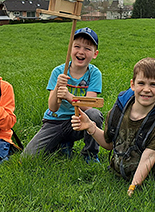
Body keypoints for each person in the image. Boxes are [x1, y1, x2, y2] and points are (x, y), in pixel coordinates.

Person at [71, 57, 155, 196]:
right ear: (132, 85)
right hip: (116, 172)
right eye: (141, 83)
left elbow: (149, 155)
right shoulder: (119, 110)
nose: (146, 89)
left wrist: (133, 186)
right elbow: (109, 144)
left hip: (148, 176)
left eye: (153, 85)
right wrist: (91, 127)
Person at [23, 27, 103, 161]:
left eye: (87, 49)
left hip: (78, 121)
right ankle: (62, 144)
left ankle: (90, 154)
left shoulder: (94, 74)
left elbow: (88, 106)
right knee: (28, 157)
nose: (81, 52)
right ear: (70, 49)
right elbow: (53, 107)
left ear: (95, 54)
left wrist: (68, 96)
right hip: (54, 122)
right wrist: (57, 87)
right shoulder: (59, 72)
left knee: (94, 115)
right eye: (77, 46)